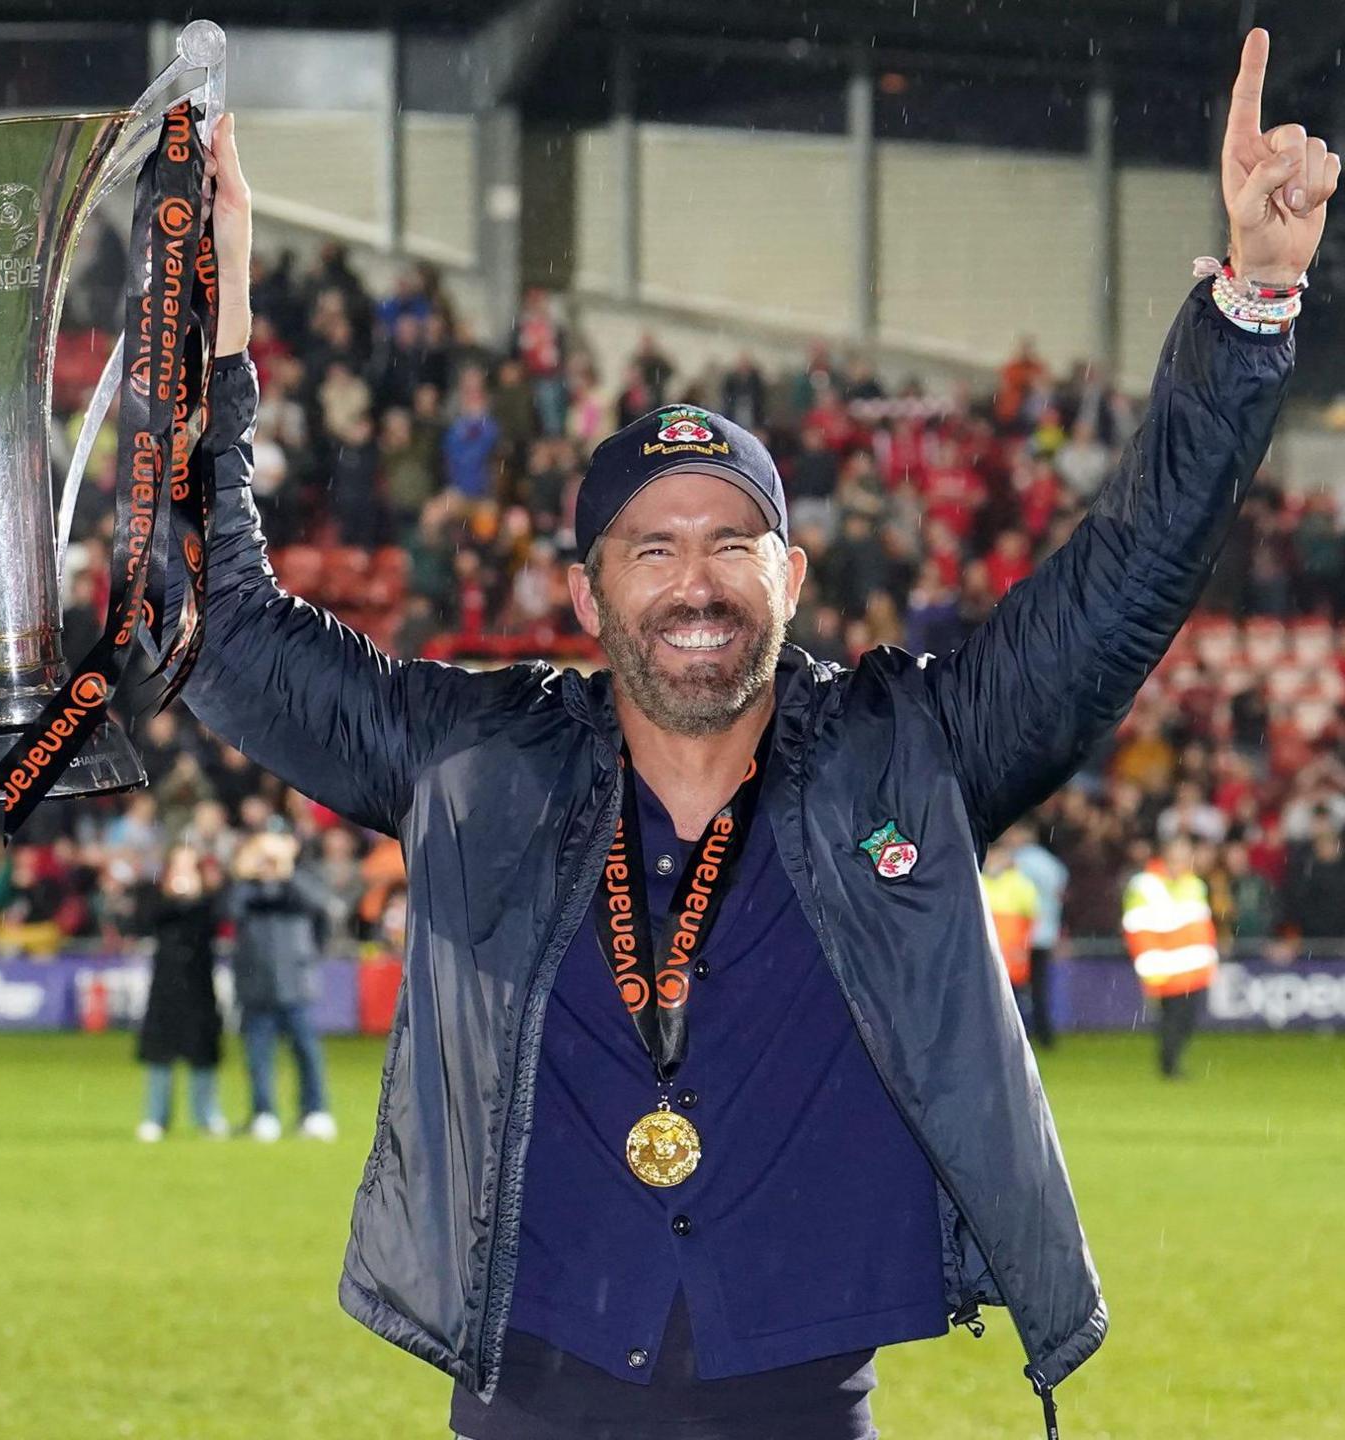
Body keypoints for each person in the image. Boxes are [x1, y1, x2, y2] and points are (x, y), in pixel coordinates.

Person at [165, 34, 1323, 1436]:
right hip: (527, 1389)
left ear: (791, 577)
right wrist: (204, 332)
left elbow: (1126, 581)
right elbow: (217, 633)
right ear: (587, 587)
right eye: (649, 550)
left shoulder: (908, 751)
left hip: (802, 1395)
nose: (694, 581)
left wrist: (1252, 305)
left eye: (732, 543)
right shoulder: (479, 761)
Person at [225, 830, 338, 1143]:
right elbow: (230, 908)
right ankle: (264, 1113)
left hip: (295, 983)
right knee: (258, 1055)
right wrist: (251, 875)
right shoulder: (246, 887)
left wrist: (286, 873)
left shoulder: (303, 879)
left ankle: (315, 1112)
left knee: (306, 1052)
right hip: (256, 982)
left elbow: (317, 902)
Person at [136, 842, 225, 1142]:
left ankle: (207, 1115)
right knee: (161, 1055)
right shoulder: (158, 902)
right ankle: (155, 1117)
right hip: (166, 990)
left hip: (199, 990)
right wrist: (175, 897)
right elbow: (147, 919)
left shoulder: (207, 905)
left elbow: (213, 918)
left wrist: (197, 895)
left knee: (202, 1054)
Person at [1122, 836, 1219, 1080]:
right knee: (1172, 1020)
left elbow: (1202, 925)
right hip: (1163, 965)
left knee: (1187, 1020)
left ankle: (1170, 1062)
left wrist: (1209, 957)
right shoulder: (1145, 885)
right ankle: (1169, 1065)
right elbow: (1136, 925)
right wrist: (1149, 962)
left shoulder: (1194, 884)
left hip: (1193, 966)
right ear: (1166, 854)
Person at [1011, 820, 1070, 1048]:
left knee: (1014, 987)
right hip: (1046, 932)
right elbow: (1060, 893)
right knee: (1040, 987)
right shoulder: (1051, 863)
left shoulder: (1018, 860)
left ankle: (1021, 1033)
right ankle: (1045, 1035)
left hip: (1021, 934)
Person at [982, 834, 1045, 1044]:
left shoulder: (1020, 884)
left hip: (1012, 955)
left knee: (1014, 1000)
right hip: (986, 955)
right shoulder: (979, 881)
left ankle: (1016, 1040)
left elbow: (1032, 919)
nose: (994, 861)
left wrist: (1022, 946)